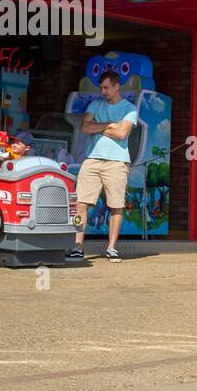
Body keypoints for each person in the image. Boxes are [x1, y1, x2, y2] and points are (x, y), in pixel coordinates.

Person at [68, 71, 137, 263]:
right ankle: (77, 246)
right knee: (80, 203)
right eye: (101, 88)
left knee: (116, 206)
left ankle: (112, 248)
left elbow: (122, 133)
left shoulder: (129, 108)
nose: (103, 91)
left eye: (106, 87)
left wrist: (98, 126)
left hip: (117, 162)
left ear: (117, 87)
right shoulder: (95, 104)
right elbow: (84, 127)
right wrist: (109, 126)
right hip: (91, 159)